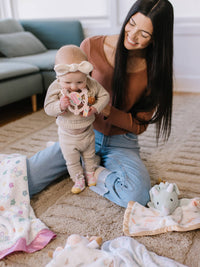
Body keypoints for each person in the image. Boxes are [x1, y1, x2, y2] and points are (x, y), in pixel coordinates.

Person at [27, 0, 174, 208]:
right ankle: (78, 160)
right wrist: (62, 104)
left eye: (144, 34)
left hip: (122, 142)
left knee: (137, 195)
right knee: (27, 178)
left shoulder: (155, 70)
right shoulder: (91, 46)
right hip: (83, 133)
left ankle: (93, 170)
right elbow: (64, 82)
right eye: (131, 24)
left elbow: (139, 125)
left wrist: (106, 109)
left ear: (156, 38)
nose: (132, 36)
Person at [44, 45, 109, 194]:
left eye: (80, 82)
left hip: (87, 132)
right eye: (68, 83)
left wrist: (95, 108)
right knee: (72, 161)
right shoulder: (55, 87)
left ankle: (90, 173)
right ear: (58, 77)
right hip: (67, 136)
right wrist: (60, 105)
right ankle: (78, 178)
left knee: (89, 155)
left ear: (86, 75)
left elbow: (105, 95)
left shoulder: (92, 84)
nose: (74, 87)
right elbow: (48, 107)